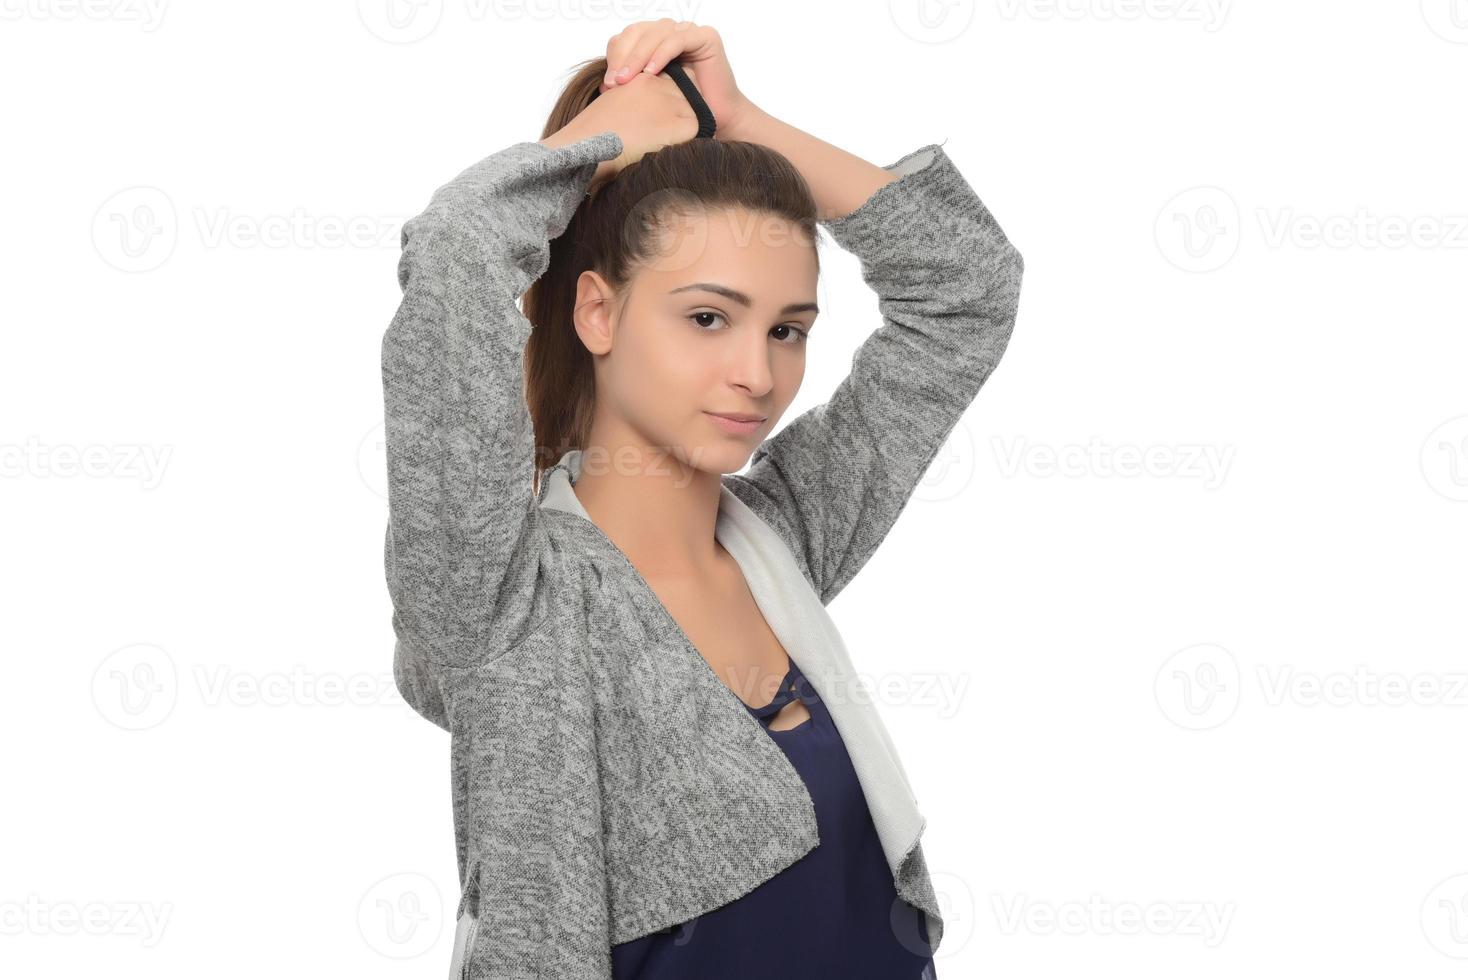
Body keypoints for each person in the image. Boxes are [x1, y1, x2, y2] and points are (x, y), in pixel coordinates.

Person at [381, 19, 1024, 980]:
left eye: (789, 330)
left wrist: (740, 121)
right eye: (708, 318)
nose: (755, 374)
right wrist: (615, 129)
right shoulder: (504, 606)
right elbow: (455, 253)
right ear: (596, 310)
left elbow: (968, 289)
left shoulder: (783, 542)